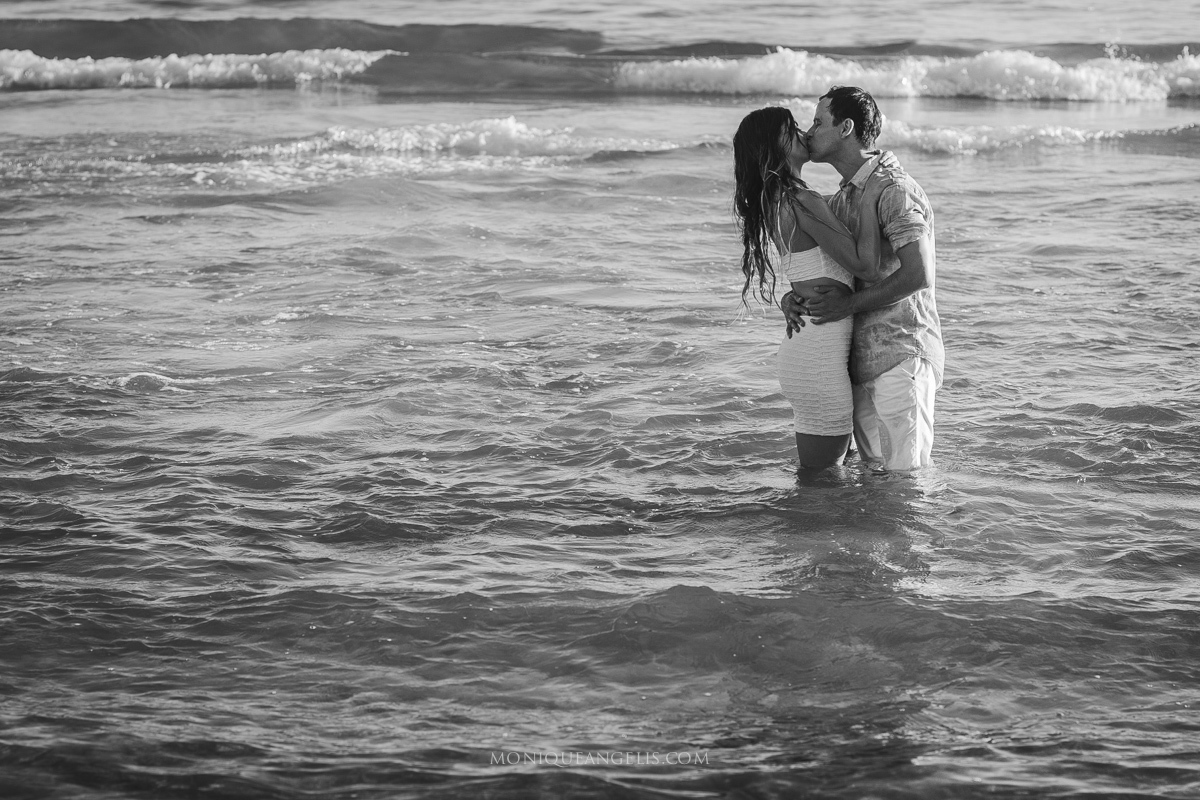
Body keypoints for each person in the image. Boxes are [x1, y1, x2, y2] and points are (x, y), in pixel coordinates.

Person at [784, 86, 945, 472]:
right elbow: (837, 273)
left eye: (818, 122)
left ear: (846, 128)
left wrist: (849, 304)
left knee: (908, 483)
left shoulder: (893, 188)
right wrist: (793, 298)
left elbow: (919, 273)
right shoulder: (841, 200)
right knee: (876, 488)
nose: (808, 132)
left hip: (900, 353)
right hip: (858, 362)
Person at [732, 106, 889, 469]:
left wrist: (792, 295)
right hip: (818, 355)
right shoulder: (803, 199)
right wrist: (869, 192)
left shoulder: (778, 200)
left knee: (823, 480)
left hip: (810, 347)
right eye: (793, 128)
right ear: (777, 145)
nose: (805, 132)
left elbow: (804, 271)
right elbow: (865, 265)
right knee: (821, 484)